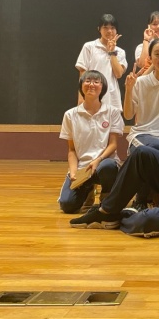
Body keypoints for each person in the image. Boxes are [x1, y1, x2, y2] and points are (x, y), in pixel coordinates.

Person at [58, 70, 124, 214]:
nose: (91, 84)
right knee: (68, 205)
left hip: (104, 163)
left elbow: (113, 144)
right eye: (87, 81)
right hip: (83, 168)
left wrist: (98, 160)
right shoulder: (70, 115)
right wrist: (74, 172)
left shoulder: (112, 112)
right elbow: (72, 150)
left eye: (96, 82)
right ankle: (88, 188)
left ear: (102, 87)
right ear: (81, 86)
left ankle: (106, 197)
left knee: (108, 167)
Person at [75, 13, 127, 111]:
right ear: (99, 29)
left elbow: (118, 74)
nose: (109, 31)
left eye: (112, 28)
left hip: (111, 98)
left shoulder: (120, 52)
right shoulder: (89, 47)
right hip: (91, 94)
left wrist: (112, 52)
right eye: (105, 27)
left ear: (116, 30)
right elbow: (83, 72)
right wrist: (81, 97)